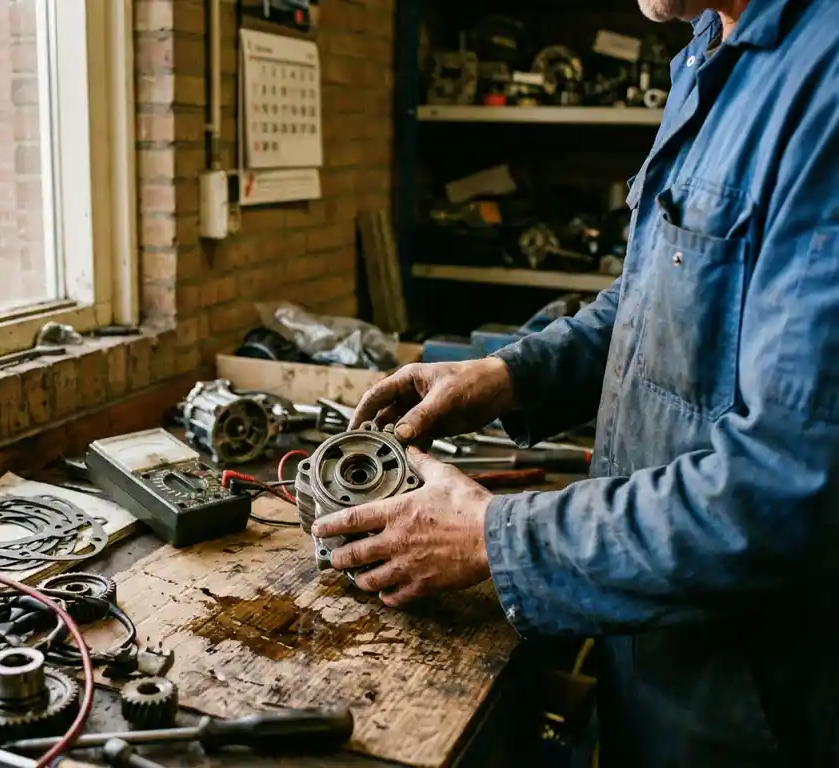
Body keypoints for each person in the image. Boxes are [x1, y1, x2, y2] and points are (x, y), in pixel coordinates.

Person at [310, 1, 839, 765]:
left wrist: (495, 540)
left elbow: (791, 485)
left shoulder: (822, 81)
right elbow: (658, 296)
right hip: (651, 637)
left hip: (760, 699)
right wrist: (505, 375)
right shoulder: (709, 55)